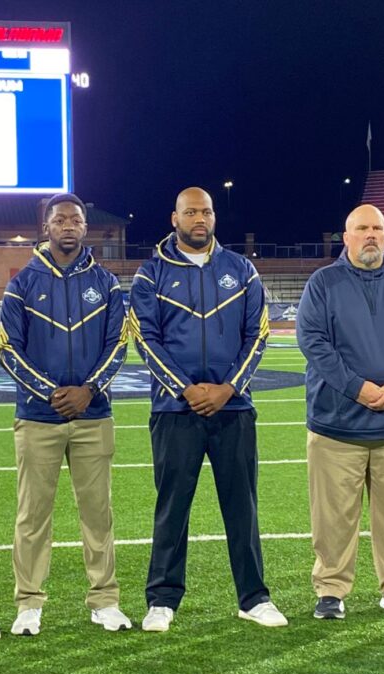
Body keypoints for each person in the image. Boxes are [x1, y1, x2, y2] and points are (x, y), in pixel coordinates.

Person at [130, 186, 286, 632]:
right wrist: (184, 389)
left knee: (242, 506)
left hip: (233, 409)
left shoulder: (242, 269)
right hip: (173, 411)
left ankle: (253, 597)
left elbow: (257, 335)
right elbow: (145, 338)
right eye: (191, 212)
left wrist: (228, 388)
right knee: (172, 506)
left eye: (207, 211)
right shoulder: (151, 273)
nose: (200, 218)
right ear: (174, 217)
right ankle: (162, 599)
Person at [0, 193, 131, 635]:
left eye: (75, 218)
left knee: (98, 513)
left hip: (94, 415)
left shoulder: (108, 283)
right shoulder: (21, 283)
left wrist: (89, 391)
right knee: (32, 515)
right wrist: (55, 394)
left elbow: (119, 346)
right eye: (60, 219)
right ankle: (29, 604)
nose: (68, 225)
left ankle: (104, 600)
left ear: (84, 226)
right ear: (47, 227)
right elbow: (7, 352)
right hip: (38, 417)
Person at [297, 204, 384, 620]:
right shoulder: (323, 283)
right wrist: (358, 389)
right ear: (347, 237)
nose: (371, 235)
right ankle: (331, 590)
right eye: (362, 228)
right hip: (336, 424)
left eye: (377, 228)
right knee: (332, 517)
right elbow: (313, 342)